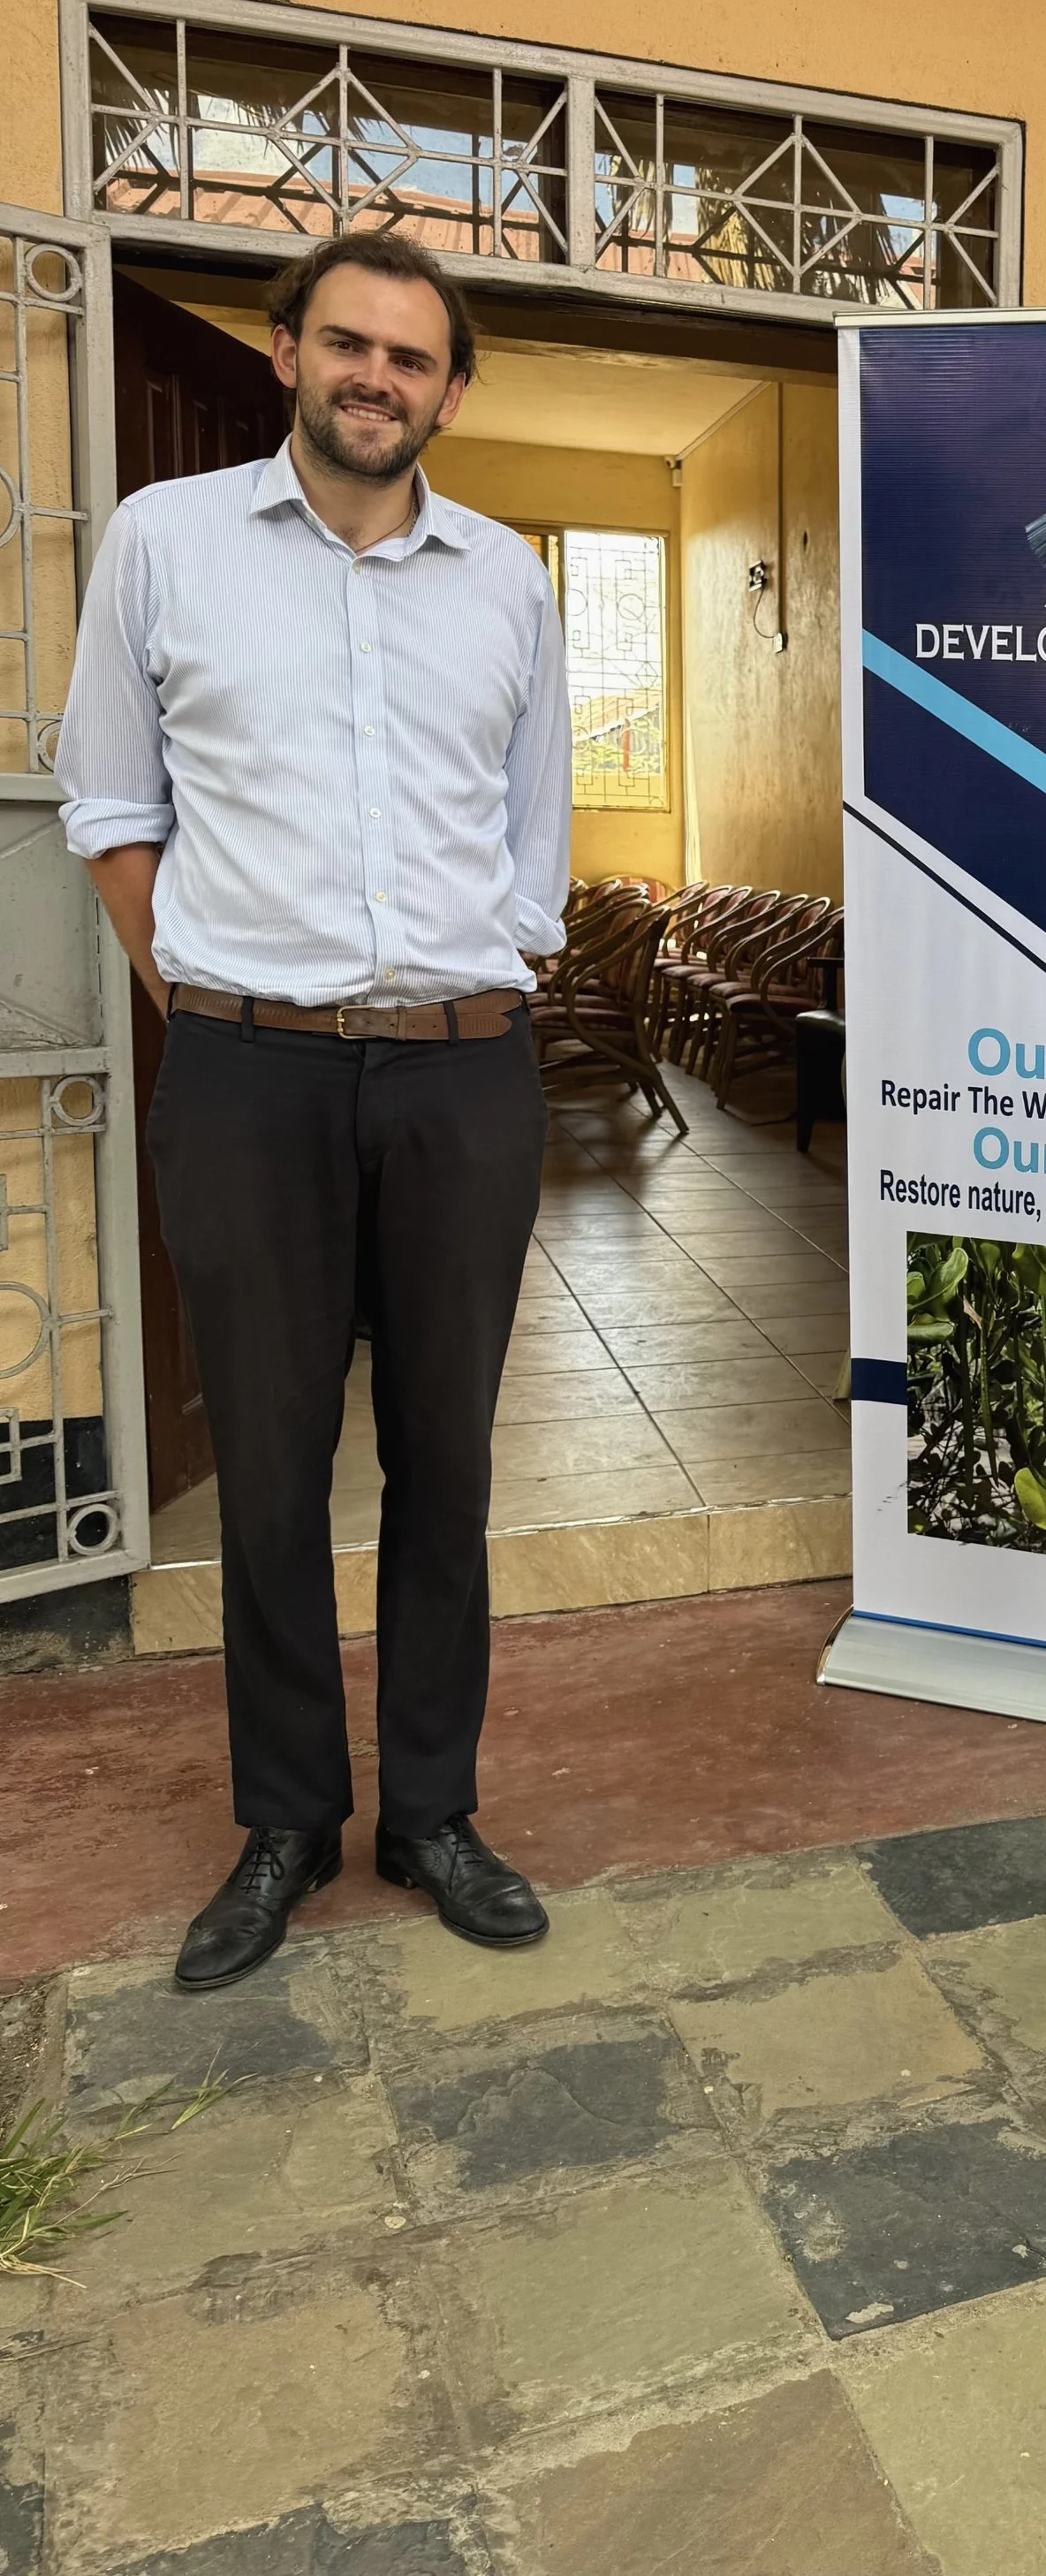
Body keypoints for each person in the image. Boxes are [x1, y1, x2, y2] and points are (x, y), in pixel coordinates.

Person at [56, 231, 571, 1990]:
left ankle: (430, 1808)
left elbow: (534, 837)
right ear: (284, 353)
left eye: (412, 359)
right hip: (250, 1069)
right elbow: (110, 801)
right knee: (268, 1464)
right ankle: (285, 1815)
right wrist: (204, 1000)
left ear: (447, 387)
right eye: (346, 344)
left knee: (447, 1455)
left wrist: (490, 977)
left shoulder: (506, 578)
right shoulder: (164, 543)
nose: (377, 379)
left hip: (459, 1070)